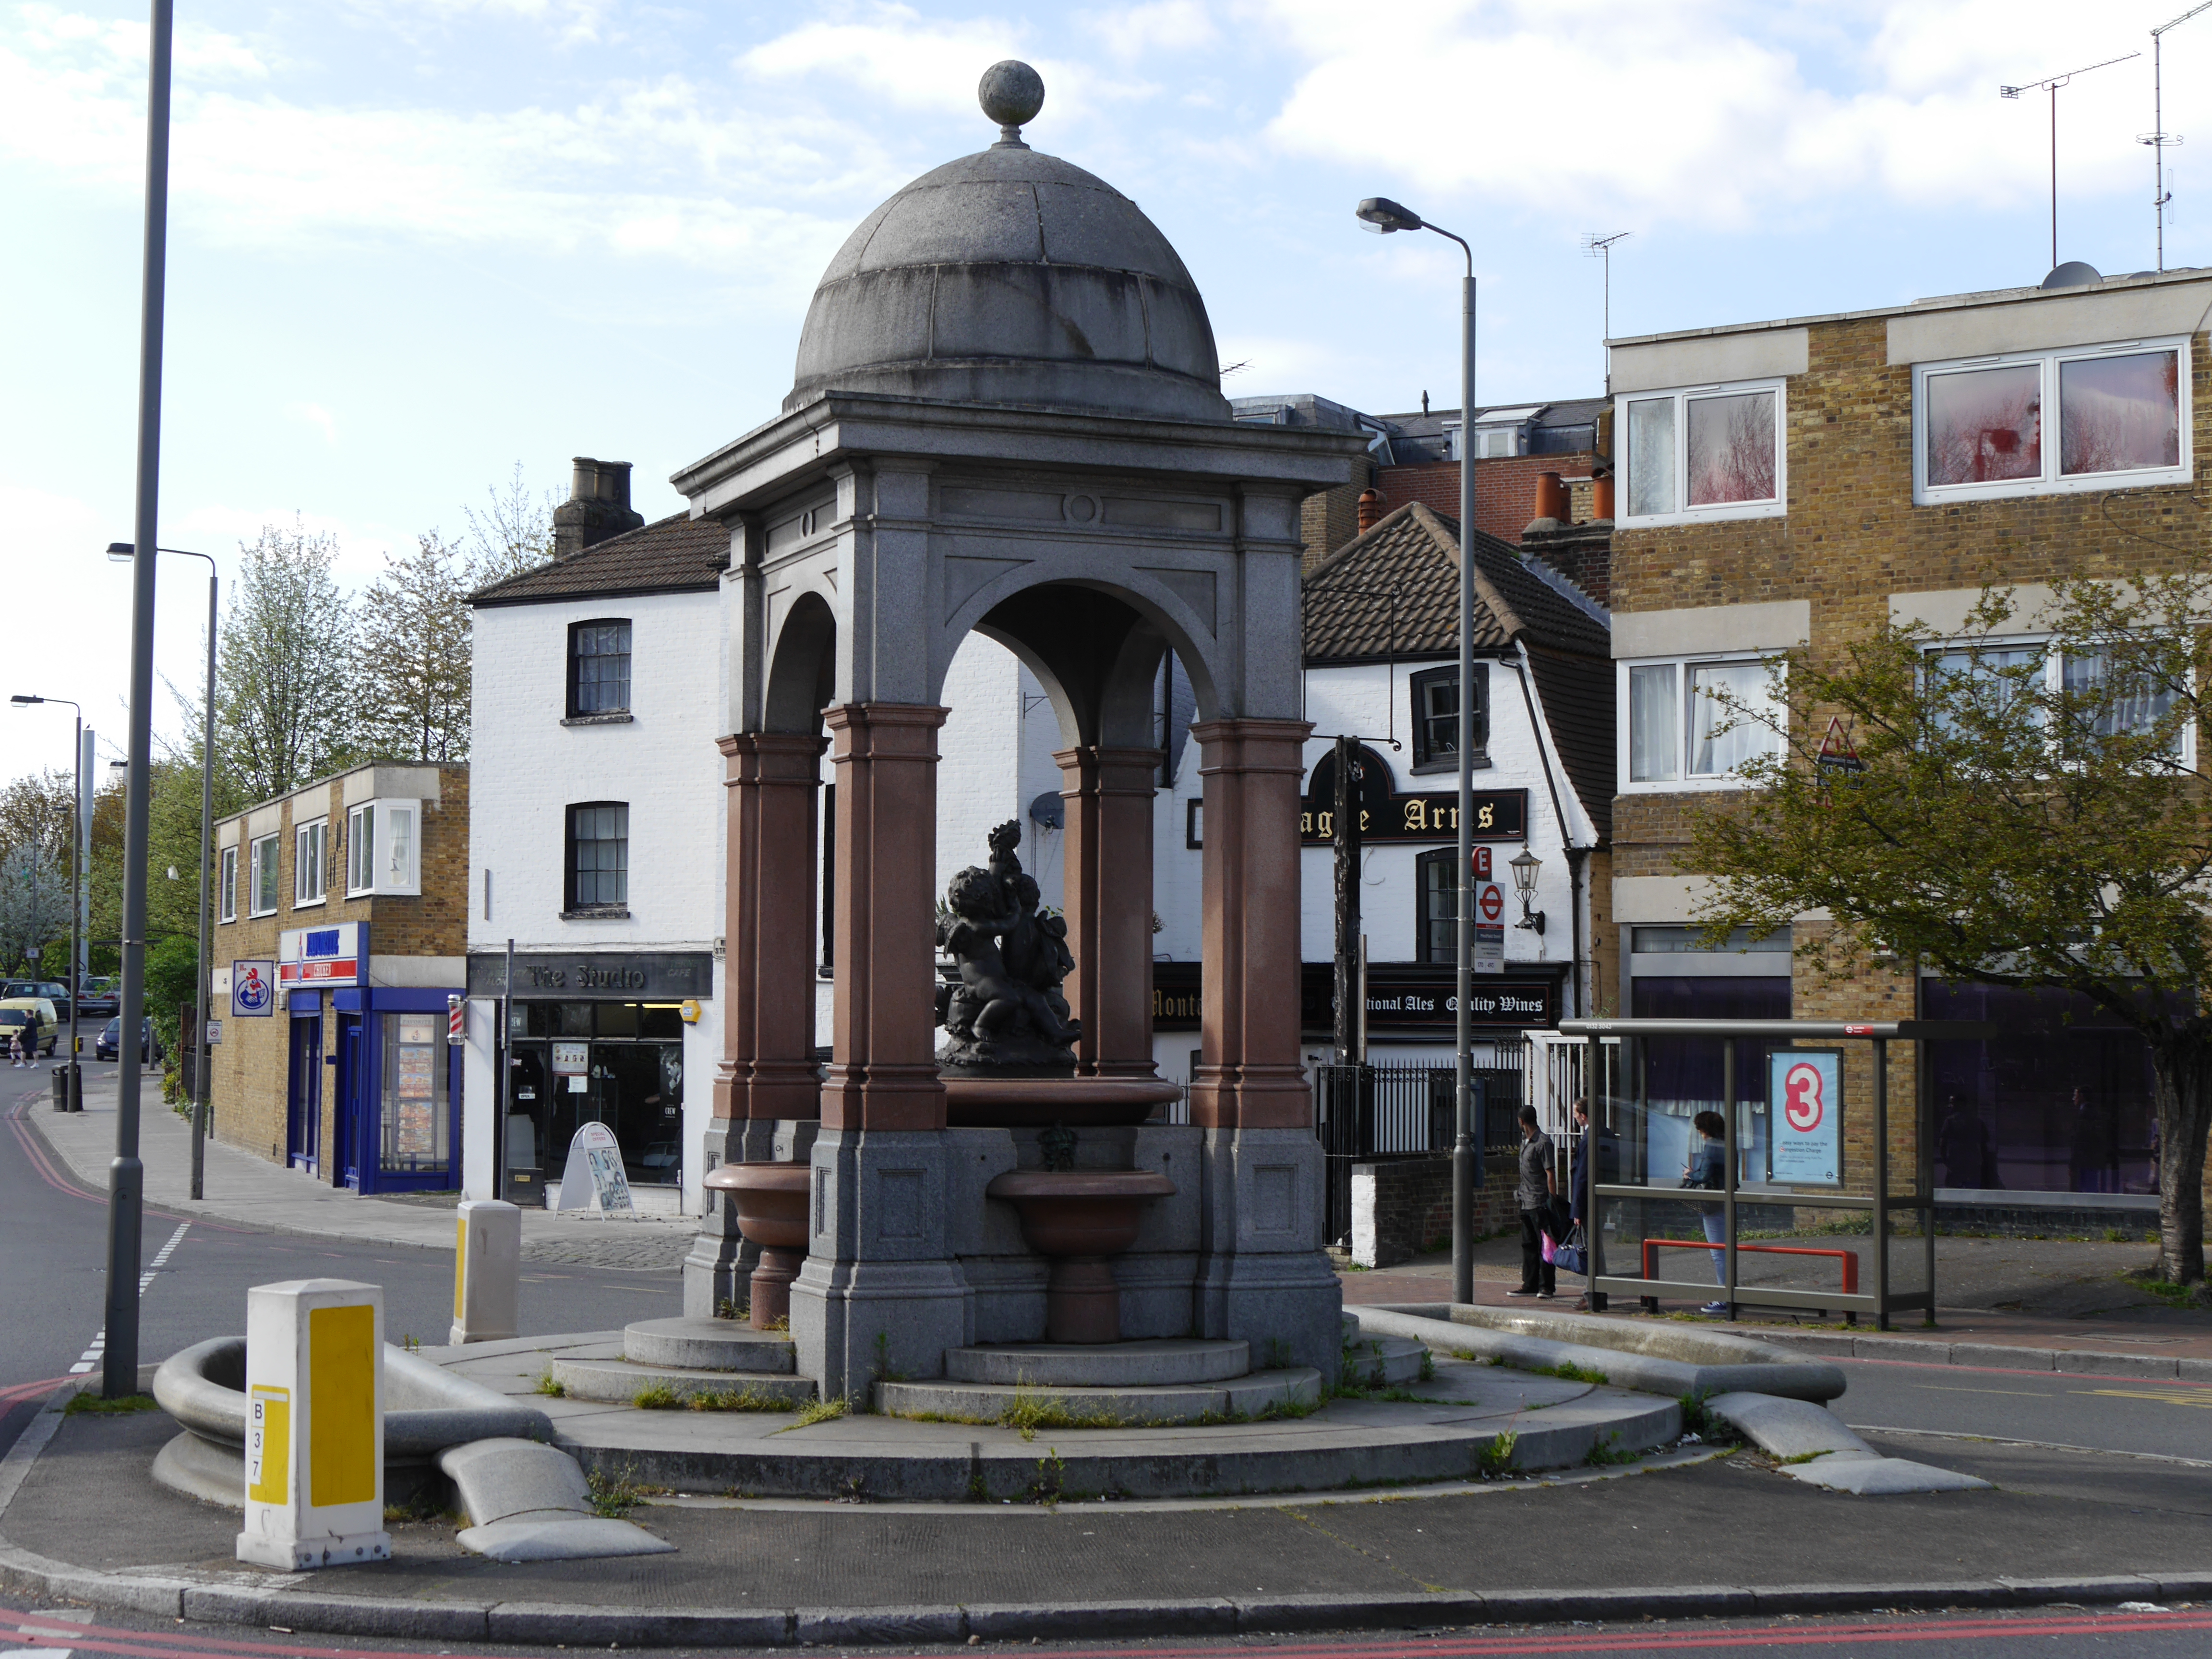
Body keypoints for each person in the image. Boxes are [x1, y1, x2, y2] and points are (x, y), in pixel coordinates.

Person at [1508, 1104, 1557, 1300]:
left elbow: (1550, 1173)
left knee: (1545, 1246)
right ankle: (1530, 1283)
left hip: (1540, 1202)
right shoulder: (1526, 1142)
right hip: (1525, 1201)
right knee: (1528, 1245)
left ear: (1521, 1121)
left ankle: (1547, 1286)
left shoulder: (1543, 1143)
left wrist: (1552, 1201)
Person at [1683, 1109, 1728, 1317]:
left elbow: (1705, 1174)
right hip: (1727, 1199)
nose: (1699, 1133)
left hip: (1713, 1203)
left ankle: (1725, 1297)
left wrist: (1690, 1174)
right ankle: (1729, 1294)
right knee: (1725, 1251)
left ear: (1704, 1129)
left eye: (1699, 1129)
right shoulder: (1728, 1144)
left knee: (1718, 1253)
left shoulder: (1711, 1146)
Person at [1935, 1094, 1992, 1190]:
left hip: (1956, 1159)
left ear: (1959, 1105)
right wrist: (1983, 1160)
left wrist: (1945, 1159)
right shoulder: (1977, 1121)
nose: (1950, 1106)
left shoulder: (1950, 1121)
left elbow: (1943, 1143)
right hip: (1972, 1159)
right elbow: (1984, 1144)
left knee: (1952, 1188)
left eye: (1952, 1104)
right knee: (1972, 1187)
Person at [2069, 1088, 2117, 1194]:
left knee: (2086, 1190)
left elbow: (2078, 1141)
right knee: (2091, 1186)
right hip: (2093, 1159)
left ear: (2081, 1096)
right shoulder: (2096, 1113)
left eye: (2075, 1096)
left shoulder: (2084, 1115)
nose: (2074, 1099)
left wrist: (2073, 1163)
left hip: (2085, 1160)